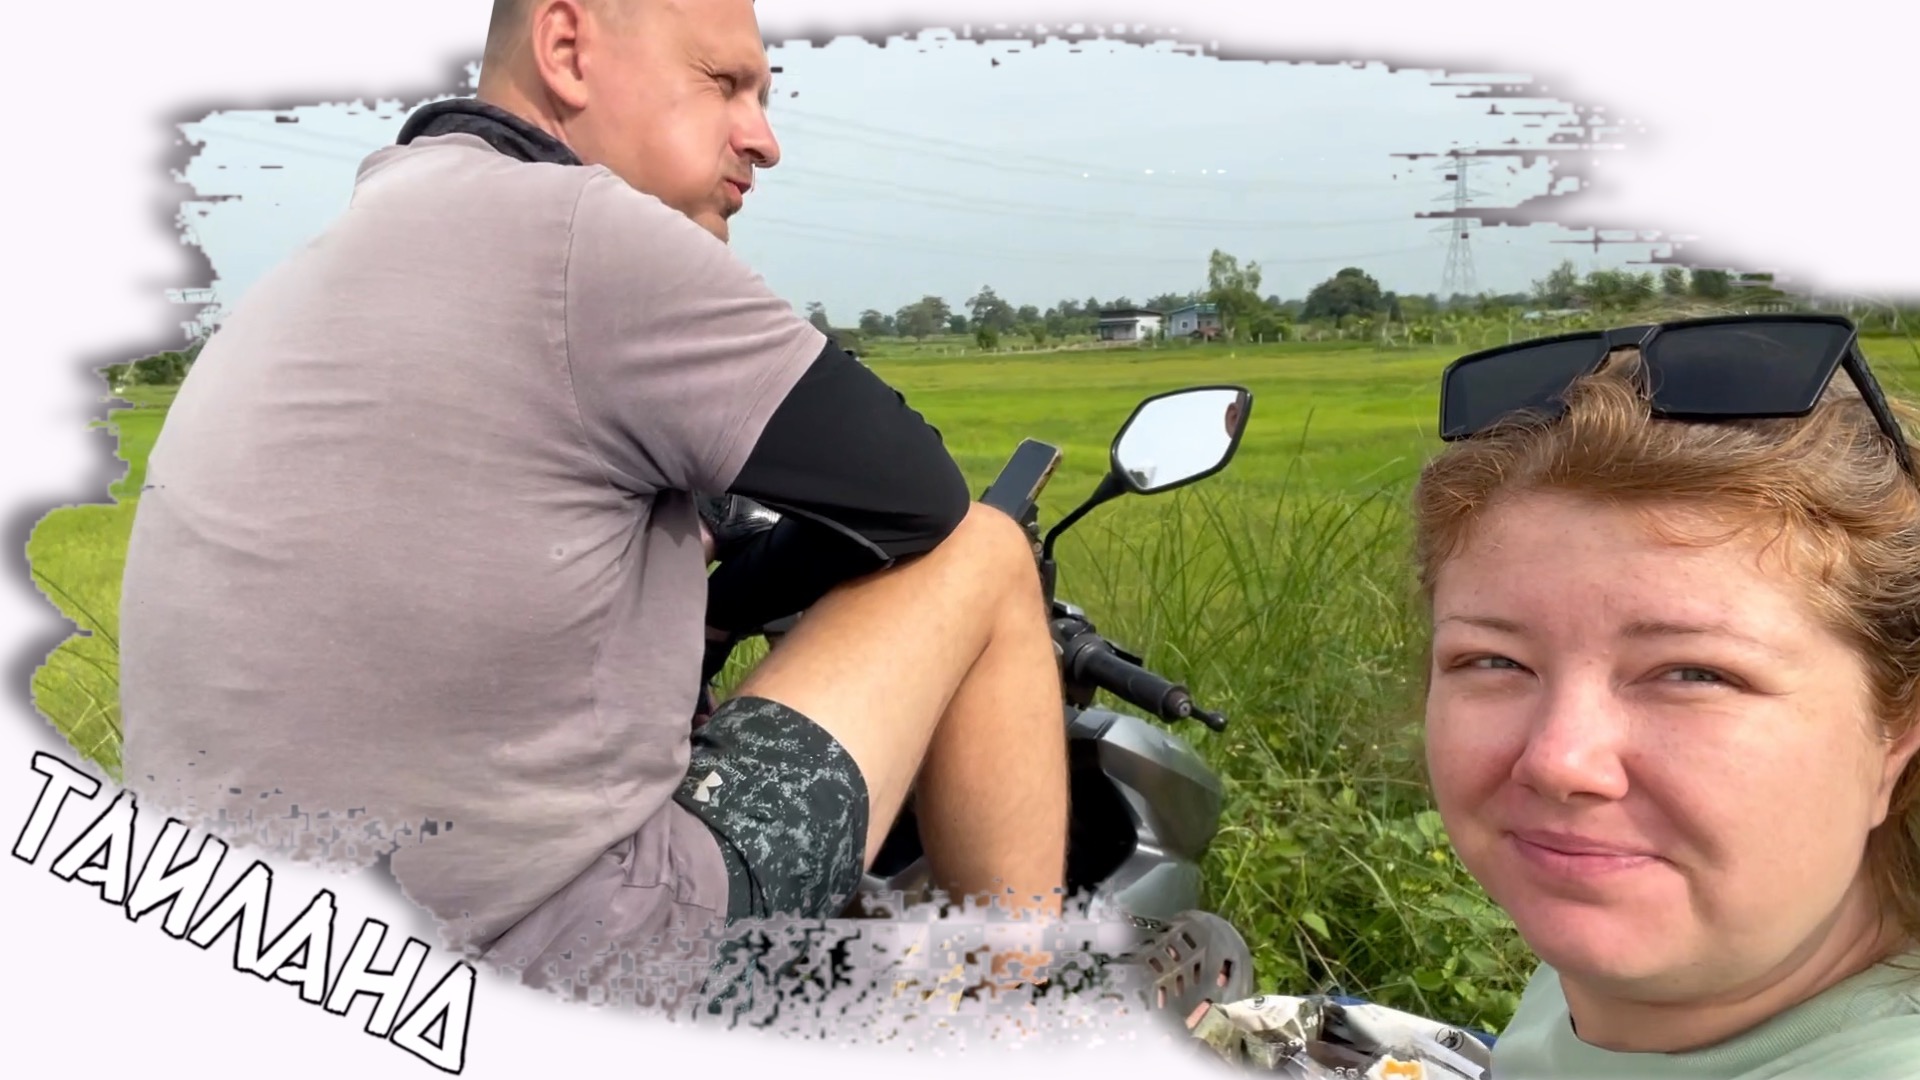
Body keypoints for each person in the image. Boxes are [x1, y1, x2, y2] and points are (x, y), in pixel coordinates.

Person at [116, 0, 1068, 1003]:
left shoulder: (323, 265)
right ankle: (1015, 1021)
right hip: (561, 972)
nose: (763, 138)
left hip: (265, 963)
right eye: (724, 83)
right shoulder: (583, 229)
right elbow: (917, 495)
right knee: (986, 551)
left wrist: (715, 596)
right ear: (567, 50)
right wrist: (737, 592)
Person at [1190, 315, 1920, 1076]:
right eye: (1495, 661)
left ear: (1897, 724)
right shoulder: (1635, 960)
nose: (1559, 761)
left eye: (1693, 673)